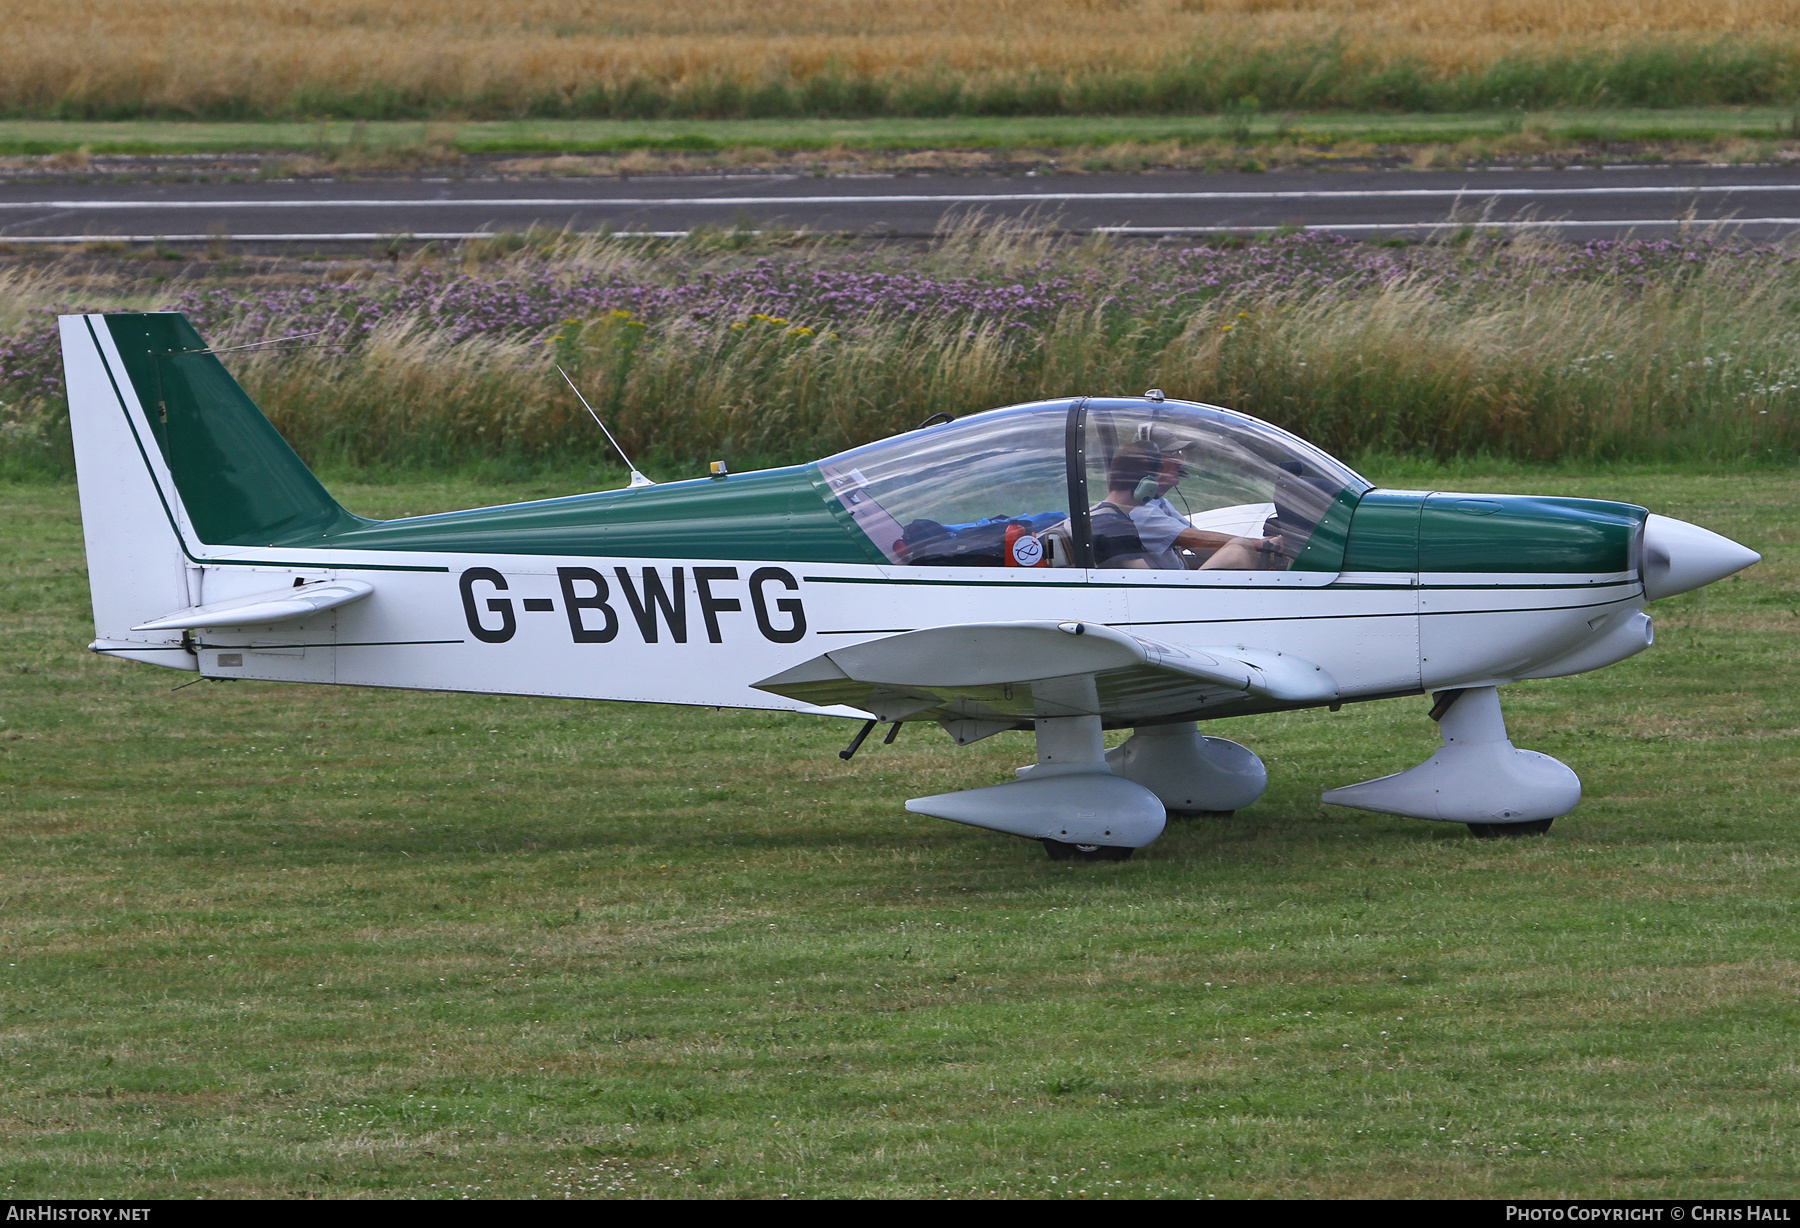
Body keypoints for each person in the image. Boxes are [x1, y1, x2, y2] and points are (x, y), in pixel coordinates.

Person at [1094, 441, 1286, 570]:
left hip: (1175, 586)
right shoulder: (1134, 516)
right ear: (1147, 483)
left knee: (1239, 548)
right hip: (1172, 596)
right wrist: (1262, 545)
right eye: (1173, 455)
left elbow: (1200, 545)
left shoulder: (1142, 508)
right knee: (1238, 550)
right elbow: (1149, 582)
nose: (1181, 461)